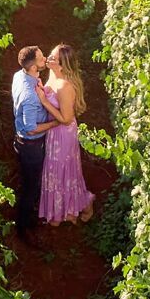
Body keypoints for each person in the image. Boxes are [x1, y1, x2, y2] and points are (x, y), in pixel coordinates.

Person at [38, 42, 95, 224]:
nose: (49, 58)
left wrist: (45, 102)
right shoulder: (52, 77)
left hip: (63, 134)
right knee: (55, 171)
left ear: (62, 65)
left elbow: (67, 119)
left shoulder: (64, 86)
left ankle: (84, 204)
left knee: (64, 171)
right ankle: (60, 212)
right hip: (54, 133)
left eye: (53, 58)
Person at [10, 44, 56, 243]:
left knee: (29, 182)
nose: (45, 58)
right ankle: (24, 227)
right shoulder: (30, 97)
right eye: (41, 58)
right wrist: (56, 122)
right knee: (30, 186)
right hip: (31, 147)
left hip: (21, 142)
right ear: (33, 67)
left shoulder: (19, 76)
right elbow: (31, 128)